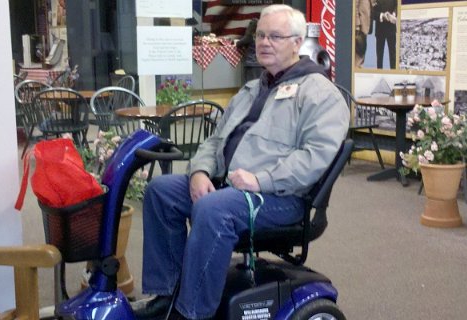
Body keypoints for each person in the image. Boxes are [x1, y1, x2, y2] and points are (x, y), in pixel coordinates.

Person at [131, 4, 349, 320]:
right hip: (229, 184)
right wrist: (200, 171)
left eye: (275, 36)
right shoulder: (251, 90)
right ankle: (167, 293)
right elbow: (214, 140)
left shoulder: (321, 94)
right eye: (260, 35)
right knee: (162, 190)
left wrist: (262, 180)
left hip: (280, 198)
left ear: (296, 42)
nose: (264, 42)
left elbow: (314, 158)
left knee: (214, 208)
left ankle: (191, 313)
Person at [372, 0, 397, 69]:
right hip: (380, 30)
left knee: (393, 56)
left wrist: (393, 14)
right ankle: (379, 75)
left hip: (391, 28)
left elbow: (398, 6)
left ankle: (394, 74)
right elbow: (371, 12)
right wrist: (382, 15)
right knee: (379, 57)